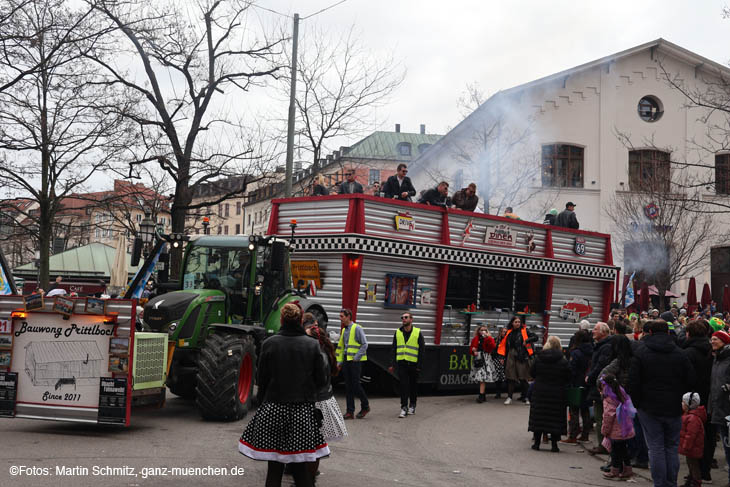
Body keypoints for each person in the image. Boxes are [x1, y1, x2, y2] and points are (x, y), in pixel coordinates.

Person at [238, 303, 328, 487]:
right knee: (300, 468)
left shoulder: (270, 343)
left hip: (274, 407)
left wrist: (262, 400)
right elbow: (322, 380)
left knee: (275, 467)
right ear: (300, 319)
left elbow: (261, 378)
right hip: (302, 409)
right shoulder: (311, 345)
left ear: (281, 319)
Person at [628, 319, 695, 487]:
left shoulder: (641, 352)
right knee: (671, 447)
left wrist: (637, 403)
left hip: (649, 407)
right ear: (668, 332)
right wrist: (682, 399)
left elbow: (633, 382)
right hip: (673, 406)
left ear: (650, 332)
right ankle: (670, 482)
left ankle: (660, 484)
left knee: (656, 447)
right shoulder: (680, 353)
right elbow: (691, 380)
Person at [305, 324, 347, 479]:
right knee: (312, 442)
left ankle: (309, 477)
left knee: (314, 443)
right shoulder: (320, 353)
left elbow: (319, 381)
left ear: (315, 339)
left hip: (318, 403)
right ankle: (308, 474)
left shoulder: (319, 356)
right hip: (321, 400)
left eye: (308, 336)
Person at [528, 336, 570, 452]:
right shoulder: (563, 360)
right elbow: (568, 376)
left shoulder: (539, 358)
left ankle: (536, 443)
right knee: (555, 418)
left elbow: (532, 372)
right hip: (557, 392)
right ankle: (554, 445)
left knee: (539, 417)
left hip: (540, 391)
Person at [600, 373, 637, 480]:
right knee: (623, 450)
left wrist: (604, 431)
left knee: (615, 452)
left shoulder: (608, 399)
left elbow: (608, 417)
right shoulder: (622, 393)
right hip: (625, 429)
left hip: (615, 431)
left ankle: (614, 471)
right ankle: (627, 469)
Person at [388, 312, 425, 417]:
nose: (403, 319)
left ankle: (412, 405)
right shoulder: (398, 332)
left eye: (406, 317)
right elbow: (393, 349)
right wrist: (392, 363)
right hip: (402, 363)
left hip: (413, 364)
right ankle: (404, 407)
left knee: (413, 386)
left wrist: (419, 365)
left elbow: (422, 350)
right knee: (403, 386)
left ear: (411, 319)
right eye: (402, 318)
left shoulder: (417, 332)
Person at [585, 322, 614, 455]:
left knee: (601, 417)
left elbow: (600, 366)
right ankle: (603, 444)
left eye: (596, 329)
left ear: (603, 332)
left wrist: (590, 377)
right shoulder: (601, 346)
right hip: (599, 386)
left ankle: (604, 445)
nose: (593, 331)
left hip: (601, 387)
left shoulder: (605, 347)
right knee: (599, 416)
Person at [335, 308, 370, 419]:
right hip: (346, 360)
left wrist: (356, 357)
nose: (340, 319)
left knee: (355, 385)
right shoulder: (344, 330)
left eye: (342, 316)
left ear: (348, 316)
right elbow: (341, 347)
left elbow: (365, 344)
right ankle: (350, 412)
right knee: (348, 387)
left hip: (355, 362)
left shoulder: (357, 328)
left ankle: (365, 406)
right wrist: (339, 362)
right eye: (340, 316)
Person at [497, 316, 537, 405]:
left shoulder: (525, 330)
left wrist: (527, 340)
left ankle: (527, 397)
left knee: (523, 378)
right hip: (511, 355)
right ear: (512, 323)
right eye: (516, 322)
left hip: (521, 356)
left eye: (519, 322)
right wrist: (502, 357)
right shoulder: (509, 332)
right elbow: (503, 345)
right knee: (510, 378)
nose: (518, 323)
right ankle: (509, 397)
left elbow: (536, 337)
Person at [564, 329, 593, 444]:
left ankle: (573, 435)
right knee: (585, 409)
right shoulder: (592, 350)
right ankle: (585, 434)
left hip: (576, 383)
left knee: (574, 409)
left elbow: (572, 369)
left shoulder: (576, 352)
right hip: (587, 383)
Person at [709, 330, 730, 487]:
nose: (712, 341)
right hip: (719, 408)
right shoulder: (717, 358)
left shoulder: (727, 359)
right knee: (727, 445)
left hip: (727, 408)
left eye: (715, 339)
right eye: (712, 339)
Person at [679, 392, 706, 487]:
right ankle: (691, 481)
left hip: (692, 447)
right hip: (691, 448)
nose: (681, 404)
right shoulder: (690, 416)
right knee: (691, 465)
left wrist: (686, 446)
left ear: (689, 404)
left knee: (694, 466)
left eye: (683, 402)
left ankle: (696, 483)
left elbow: (691, 435)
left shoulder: (693, 418)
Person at [469, 325, 497, 403]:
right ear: (478, 331)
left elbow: (493, 346)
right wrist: (473, 350)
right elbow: (471, 349)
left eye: (485, 330)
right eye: (481, 330)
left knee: (482, 378)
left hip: (486, 359)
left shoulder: (489, 338)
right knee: (481, 378)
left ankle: (481, 396)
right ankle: (483, 395)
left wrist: (488, 337)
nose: (483, 331)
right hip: (478, 358)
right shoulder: (475, 339)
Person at [492, 327, 508, 399]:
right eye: (503, 332)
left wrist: (504, 358)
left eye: (505, 332)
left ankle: (509, 393)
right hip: (497, 360)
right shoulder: (496, 340)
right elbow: (493, 350)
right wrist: (497, 357)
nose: (504, 333)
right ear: (500, 332)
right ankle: (498, 392)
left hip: (506, 360)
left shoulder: (508, 340)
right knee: (498, 377)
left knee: (506, 376)